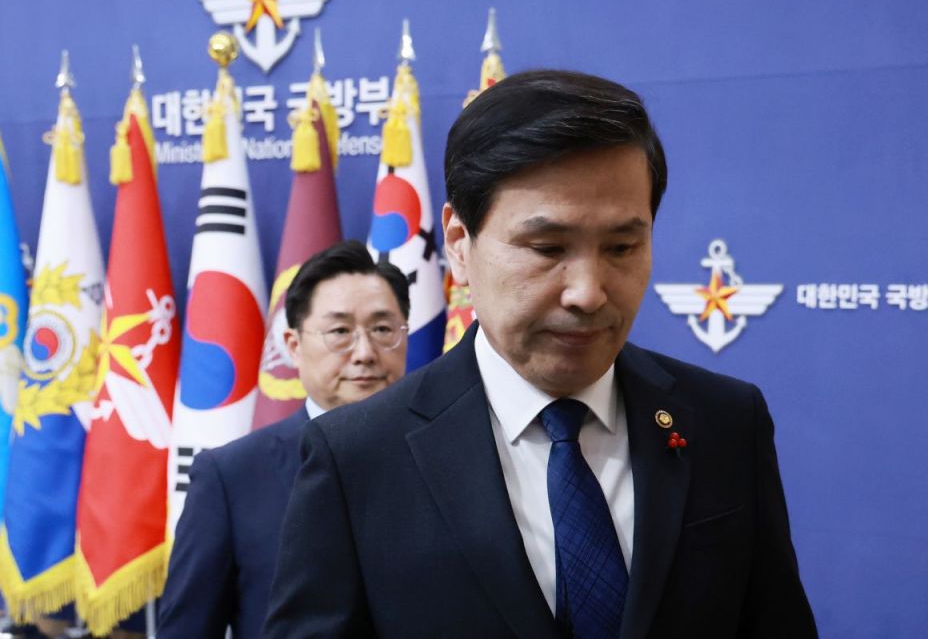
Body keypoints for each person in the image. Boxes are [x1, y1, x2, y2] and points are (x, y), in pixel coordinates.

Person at [263, 70, 818, 638]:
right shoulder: (356, 458)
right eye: (548, 248)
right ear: (459, 244)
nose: (588, 293)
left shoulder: (725, 422)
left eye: (622, 247)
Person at [158, 240, 410, 638]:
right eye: (340, 331)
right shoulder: (231, 477)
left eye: (382, 330)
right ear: (293, 346)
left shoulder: (446, 456)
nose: (364, 352)